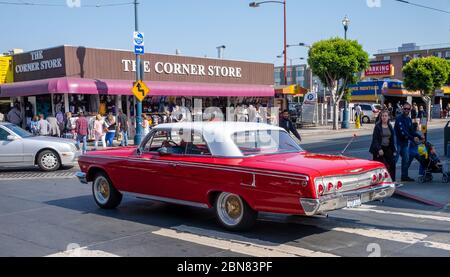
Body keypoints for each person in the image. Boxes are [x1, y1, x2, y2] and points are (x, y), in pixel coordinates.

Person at [394, 102, 420, 182]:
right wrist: (413, 139)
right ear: (402, 109)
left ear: (410, 109)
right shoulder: (399, 119)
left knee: (406, 159)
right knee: (394, 160)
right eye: (405, 108)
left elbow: (411, 131)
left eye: (408, 109)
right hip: (397, 142)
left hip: (404, 143)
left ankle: (404, 176)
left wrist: (419, 136)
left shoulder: (408, 119)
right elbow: (403, 133)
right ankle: (390, 177)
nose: (406, 110)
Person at [370, 110, 397, 181]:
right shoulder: (377, 126)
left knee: (392, 163)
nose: (384, 117)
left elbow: (391, 140)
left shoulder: (390, 126)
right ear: (380, 117)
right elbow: (375, 139)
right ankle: (378, 181)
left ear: (388, 117)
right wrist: (379, 149)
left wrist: (394, 150)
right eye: (383, 116)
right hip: (379, 148)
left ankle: (392, 180)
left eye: (386, 116)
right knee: (380, 165)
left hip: (387, 147)